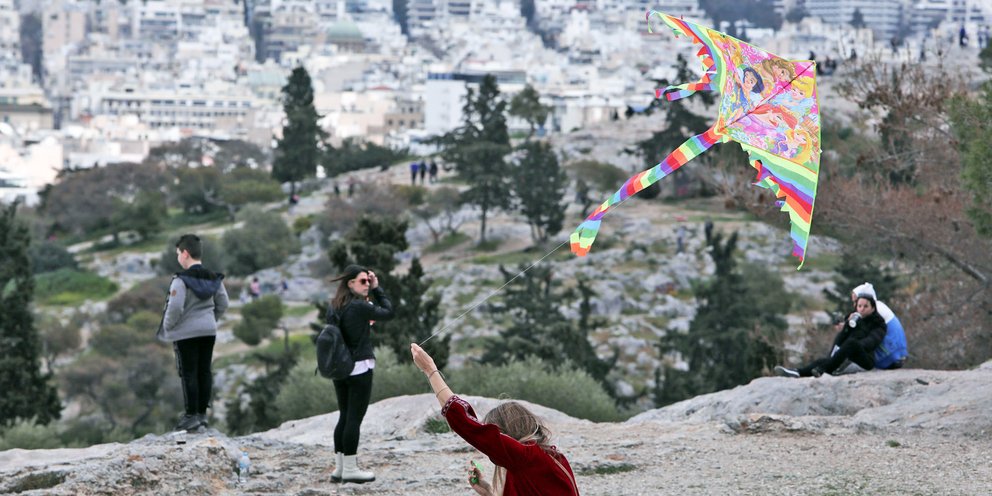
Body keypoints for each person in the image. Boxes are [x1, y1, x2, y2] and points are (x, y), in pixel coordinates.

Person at [410, 343, 580, 496]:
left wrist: (430, 370)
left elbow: (468, 424)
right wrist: (489, 493)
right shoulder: (547, 458)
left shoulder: (526, 457)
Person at [328, 265, 394, 484]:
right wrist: (377, 289)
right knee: (354, 418)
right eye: (363, 281)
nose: (367, 284)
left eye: (368, 281)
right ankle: (350, 469)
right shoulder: (358, 307)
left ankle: (339, 469)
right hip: (359, 368)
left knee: (344, 415)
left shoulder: (336, 305)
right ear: (350, 284)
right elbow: (388, 312)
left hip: (339, 368)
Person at [157, 234, 229, 431]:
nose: (178, 257)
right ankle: (202, 415)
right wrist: (210, 320)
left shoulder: (180, 280)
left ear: (185, 254)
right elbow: (224, 302)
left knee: (188, 372)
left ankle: (190, 416)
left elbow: (174, 307)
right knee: (204, 371)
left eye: (178, 253)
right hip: (208, 331)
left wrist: (169, 327)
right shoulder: (214, 278)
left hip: (186, 334)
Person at [775, 293, 886, 378]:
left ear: (873, 308)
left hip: (865, 361)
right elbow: (841, 339)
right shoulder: (855, 319)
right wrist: (848, 325)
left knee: (852, 344)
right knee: (822, 361)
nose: (861, 309)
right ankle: (798, 372)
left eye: (865, 306)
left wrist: (854, 342)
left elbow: (871, 342)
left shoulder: (879, 323)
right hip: (848, 357)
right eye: (859, 306)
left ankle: (826, 370)